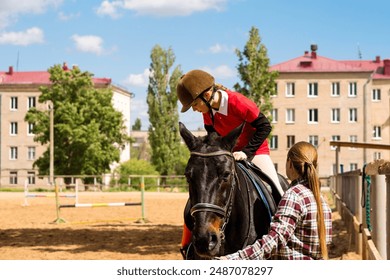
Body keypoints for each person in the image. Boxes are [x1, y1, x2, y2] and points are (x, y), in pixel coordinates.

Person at [177, 69, 284, 257]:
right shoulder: (207, 111)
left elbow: (264, 125)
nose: (194, 109)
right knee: (199, 196)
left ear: (207, 95)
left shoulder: (237, 102)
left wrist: (247, 152)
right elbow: (213, 139)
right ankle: (187, 246)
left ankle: (285, 239)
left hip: (255, 152)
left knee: (279, 193)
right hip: (227, 155)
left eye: (194, 104)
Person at [218, 141, 332, 260]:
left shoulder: (294, 195)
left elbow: (275, 240)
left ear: (290, 164)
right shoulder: (322, 202)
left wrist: (232, 259)